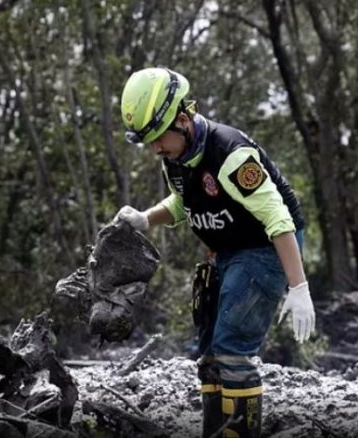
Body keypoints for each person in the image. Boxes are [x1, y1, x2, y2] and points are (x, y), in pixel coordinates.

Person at [114, 67, 315, 438]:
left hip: (265, 246)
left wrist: (298, 286)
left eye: (159, 137)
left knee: (232, 350)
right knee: (208, 354)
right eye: (149, 141)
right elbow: (184, 202)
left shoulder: (231, 154)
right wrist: (146, 218)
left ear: (184, 120)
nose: (156, 148)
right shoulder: (175, 157)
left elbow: (278, 218)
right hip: (226, 250)